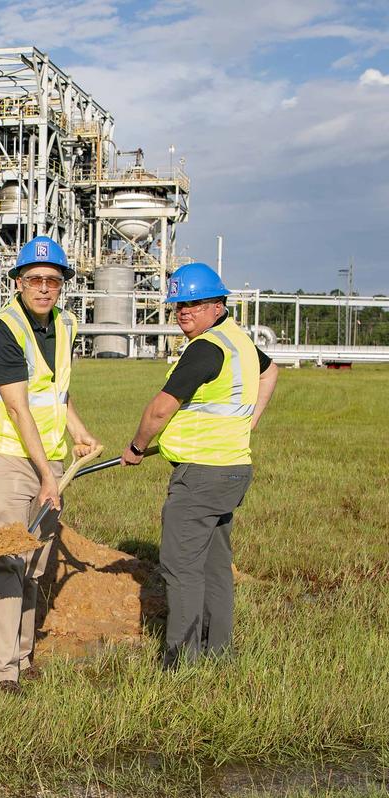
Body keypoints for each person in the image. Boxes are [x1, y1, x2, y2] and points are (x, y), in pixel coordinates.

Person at [121, 262, 278, 668]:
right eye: (178, 305)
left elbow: (159, 410)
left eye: (194, 303)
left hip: (201, 474)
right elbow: (270, 372)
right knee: (214, 565)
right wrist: (248, 421)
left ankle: (181, 661)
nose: (184, 311)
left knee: (181, 569)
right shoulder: (238, 341)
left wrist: (137, 447)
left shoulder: (206, 348)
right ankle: (218, 651)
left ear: (218, 305)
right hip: (231, 470)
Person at [0, 236, 100, 694]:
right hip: (3, 456)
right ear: (18, 283)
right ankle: (1, 671)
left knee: (35, 562)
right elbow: (18, 409)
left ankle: (22, 658)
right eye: (35, 280)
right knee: (7, 558)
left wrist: (77, 430)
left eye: (53, 280)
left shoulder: (65, 325)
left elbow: (54, 392)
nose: (44, 288)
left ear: (62, 285)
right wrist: (48, 477)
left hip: (48, 458)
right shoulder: (2, 332)